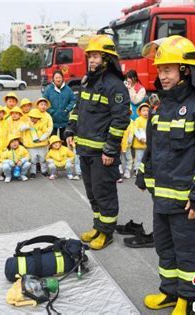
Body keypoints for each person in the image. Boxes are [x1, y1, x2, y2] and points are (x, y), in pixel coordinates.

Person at [136, 35, 195, 313]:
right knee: (165, 249)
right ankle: (171, 292)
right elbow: (152, 146)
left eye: (167, 69)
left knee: (187, 254)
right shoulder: (160, 106)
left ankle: (191, 300)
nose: (161, 75)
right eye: (160, 69)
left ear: (185, 71)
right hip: (162, 199)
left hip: (188, 202)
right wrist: (144, 172)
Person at [65, 35, 131, 250]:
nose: (92, 61)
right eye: (90, 56)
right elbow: (78, 110)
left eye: (96, 56)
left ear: (107, 59)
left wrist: (111, 149)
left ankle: (107, 233)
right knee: (93, 193)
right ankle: (98, 225)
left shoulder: (115, 86)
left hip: (102, 153)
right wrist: (69, 130)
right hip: (85, 150)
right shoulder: (86, 82)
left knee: (105, 193)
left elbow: (120, 119)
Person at [43, 70, 76, 142]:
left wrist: (67, 109)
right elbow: (44, 101)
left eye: (59, 77)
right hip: (51, 121)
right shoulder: (48, 90)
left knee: (64, 142)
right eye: (56, 78)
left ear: (62, 78)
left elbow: (73, 100)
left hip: (64, 120)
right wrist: (51, 111)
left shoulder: (68, 89)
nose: (58, 79)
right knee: (52, 142)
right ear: (53, 79)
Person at [21, 109, 49, 179]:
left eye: (35, 118)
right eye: (31, 117)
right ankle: (32, 172)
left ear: (38, 118)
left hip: (41, 145)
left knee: (42, 159)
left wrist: (42, 138)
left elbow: (46, 132)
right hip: (31, 146)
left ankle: (44, 171)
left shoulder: (42, 124)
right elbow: (20, 128)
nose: (33, 119)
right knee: (32, 160)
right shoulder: (27, 123)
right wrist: (26, 127)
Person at [132, 103, 150, 175]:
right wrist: (140, 138)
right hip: (139, 143)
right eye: (144, 110)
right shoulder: (138, 120)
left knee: (145, 157)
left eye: (147, 110)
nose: (146, 112)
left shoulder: (149, 120)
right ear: (140, 112)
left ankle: (144, 169)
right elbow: (135, 130)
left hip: (147, 143)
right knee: (139, 157)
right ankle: (137, 168)